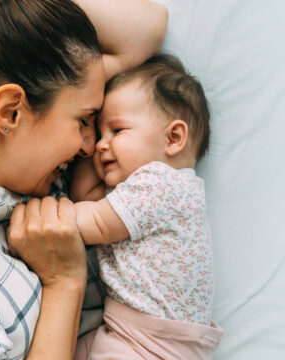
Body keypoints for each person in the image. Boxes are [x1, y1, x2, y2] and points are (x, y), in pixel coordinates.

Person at [0, 0, 167, 359]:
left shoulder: (35, 168)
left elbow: (147, 29)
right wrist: (63, 283)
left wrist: (2, 10)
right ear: (10, 112)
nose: (91, 146)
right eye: (83, 120)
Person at [69, 54, 223, 359]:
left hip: (151, 342)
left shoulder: (161, 183)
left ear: (174, 137)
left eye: (117, 130)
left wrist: (42, 216)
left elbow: (94, 222)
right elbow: (85, 196)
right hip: (137, 334)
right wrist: (100, 145)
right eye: (100, 133)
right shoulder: (145, 190)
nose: (100, 144)